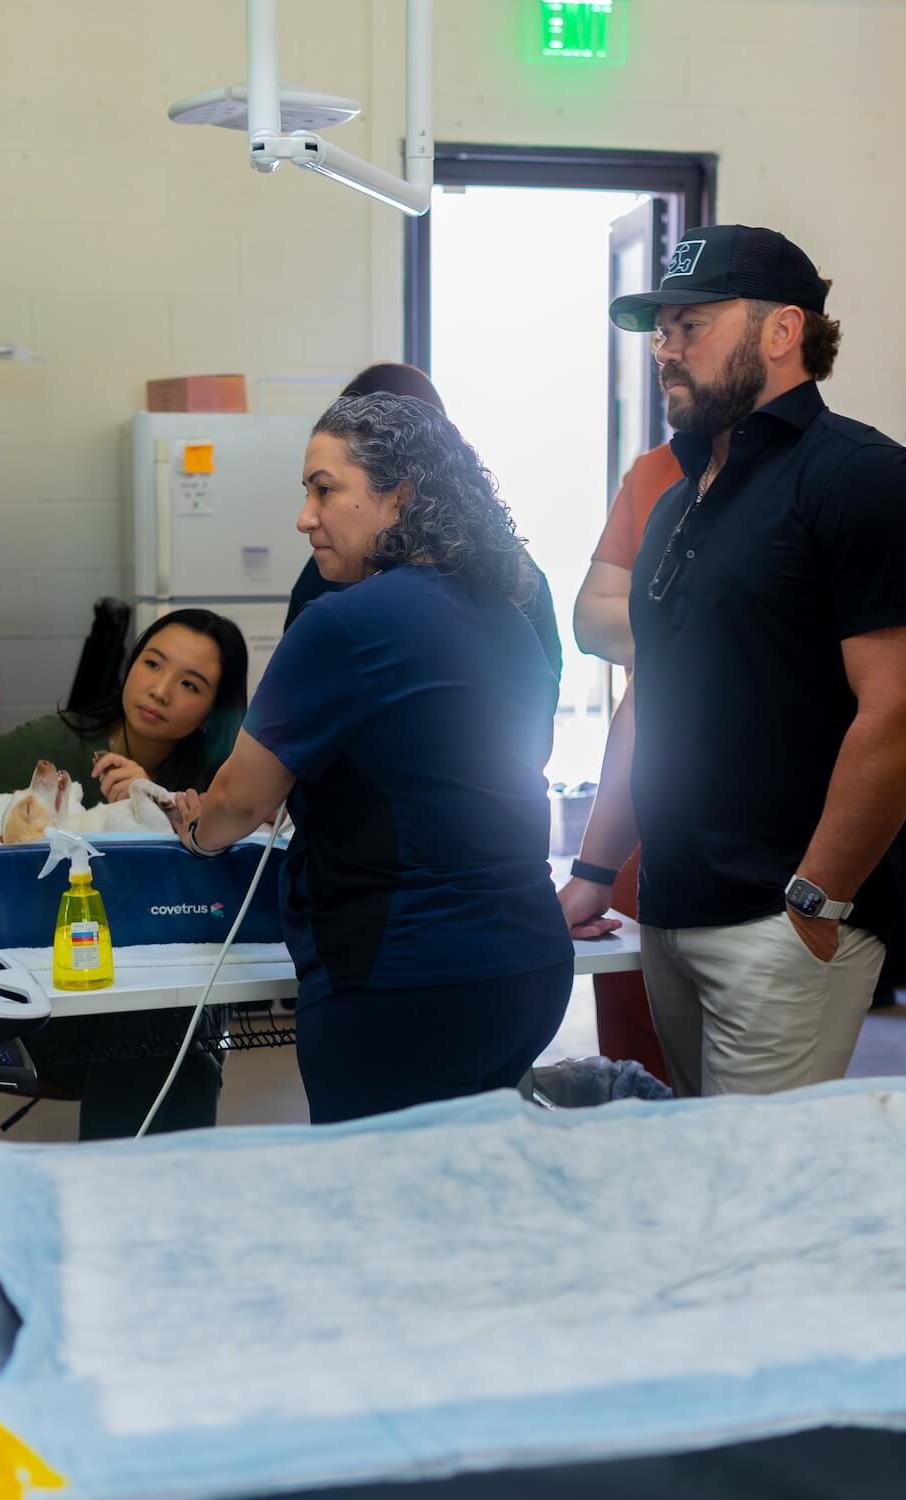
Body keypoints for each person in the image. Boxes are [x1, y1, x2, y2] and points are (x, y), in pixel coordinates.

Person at [560, 223, 906, 1098]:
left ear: (783, 330)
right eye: (660, 331)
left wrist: (816, 901)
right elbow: (652, 698)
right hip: (670, 911)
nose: (664, 351)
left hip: (782, 921)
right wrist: (596, 873)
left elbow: (895, 712)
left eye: (692, 326)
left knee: (756, 1175)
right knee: (698, 1163)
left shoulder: (860, 477)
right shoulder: (676, 504)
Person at [171, 393, 574, 1124]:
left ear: (402, 496)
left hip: (404, 978)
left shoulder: (343, 624)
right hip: (529, 969)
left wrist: (196, 833)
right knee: (472, 1172)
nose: (305, 517)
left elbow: (240, 800)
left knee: (380, 1188)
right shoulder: (506, 616)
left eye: (325, 490)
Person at [0, 608, 249, 1137]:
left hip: (171, 994)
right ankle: (142, 1176)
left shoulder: (220, 780)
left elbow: (249, 860)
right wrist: (5, 841)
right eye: (152, 664)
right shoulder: (60, 742)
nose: (160, 691)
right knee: (168, 1031)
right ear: (130, 667)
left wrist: (152, 803)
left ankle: (136, 1176)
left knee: (173, 1018)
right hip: (57, 998)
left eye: (190, 684)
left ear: (211, 711)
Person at [284, 362, 563, 680]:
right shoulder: (328, 572)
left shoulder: (514, 579)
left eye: (325, 489)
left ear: (403, 487)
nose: (306, 520)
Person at [573, 443, 682, 1086]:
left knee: (746, 1111)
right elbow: (591, 622)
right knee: (639, 1073)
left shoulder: (836, 472)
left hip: (775, 870)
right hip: (640, 842)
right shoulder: (654, 473)